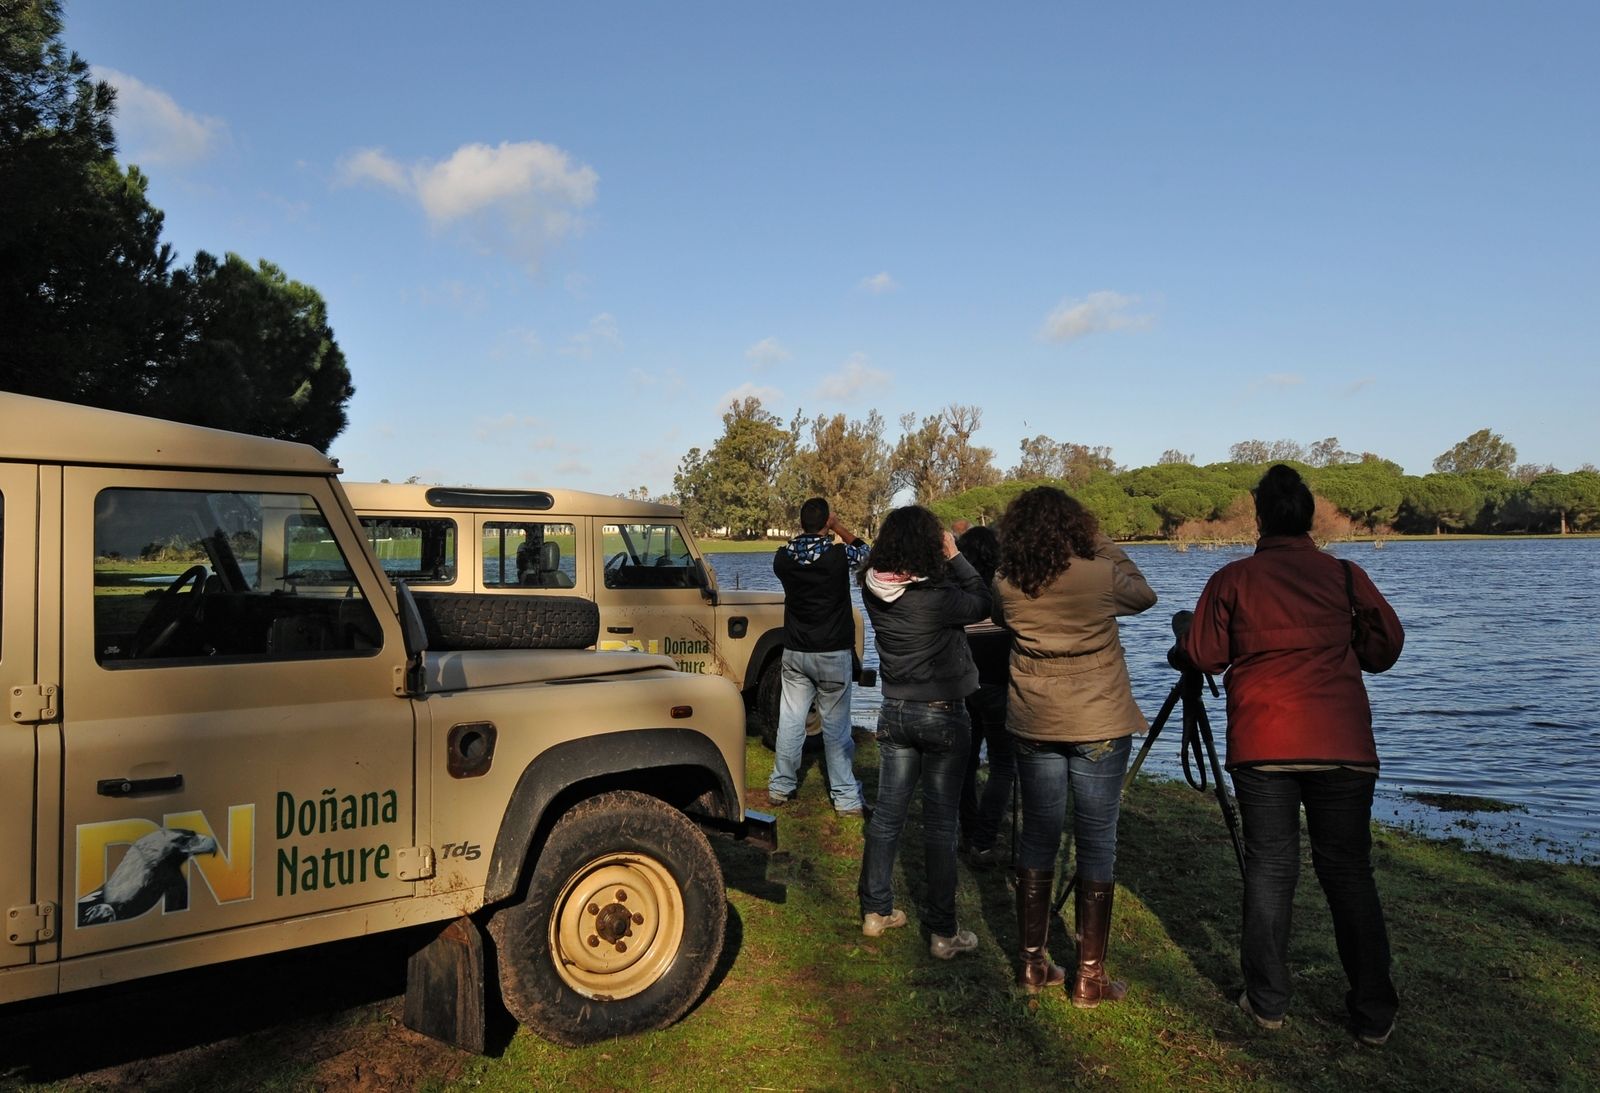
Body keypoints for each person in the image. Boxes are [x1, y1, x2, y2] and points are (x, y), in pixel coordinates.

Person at [1180, 464, 1403, 1045]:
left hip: (1264, 744)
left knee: (1272, 870)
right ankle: (1373, 1013)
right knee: (1349, 873)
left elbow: (1204, 654)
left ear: (1260, 517)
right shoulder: (1347, 577)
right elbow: (1385, 651)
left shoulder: (1233, 580)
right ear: (1308, 517)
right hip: (1343, 745)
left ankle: (1268, 1001)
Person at [993, 486, 1156, 1002]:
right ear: (1075, 527)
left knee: (1038, 836)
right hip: (1098, 718)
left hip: (1035, 717)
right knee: (1096, 839)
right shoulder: (1100, 574)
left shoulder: (1005, 581)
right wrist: (1101, 542)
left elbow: (1004, 622)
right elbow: (1144, 595)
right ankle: (1090, 975)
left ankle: (1031, 965)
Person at [857, 505, 991, 958]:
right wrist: (955, 556)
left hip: (895, 710)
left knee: (888, 816)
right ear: (930, 546)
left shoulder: (872, 587)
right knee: (940, 824)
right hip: (942, 712)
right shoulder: (938, 596)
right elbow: (982, 598)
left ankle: (875, 912)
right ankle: (943, 932)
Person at [768, 497, 870, 814]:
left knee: (790, 721)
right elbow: (867, 555)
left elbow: (795, 552)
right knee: (837, 729)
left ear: (801, 523)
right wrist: (839, 528)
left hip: (796, 651)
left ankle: (781, 786)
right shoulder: (838, 555)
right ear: (826, 522)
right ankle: (844, 797)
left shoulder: (782, 559)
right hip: (832, 652)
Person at [954, 525, 1015, 867]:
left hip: (965, 682)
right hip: (999, 683)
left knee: (966, 759)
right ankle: (984, 838)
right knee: (1004, 764)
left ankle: (969, 828)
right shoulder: (1004, 588)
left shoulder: (957, 590)